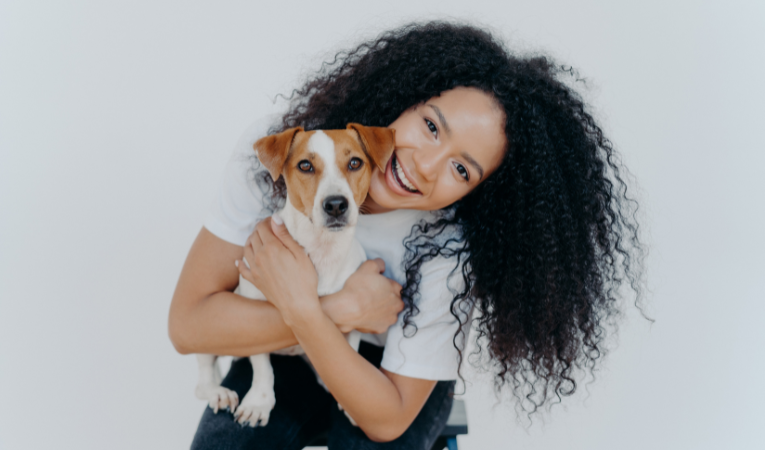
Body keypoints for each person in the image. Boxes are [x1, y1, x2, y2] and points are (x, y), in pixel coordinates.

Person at [168, 21, 645, 449]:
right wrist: (335, 310)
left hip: (390, 376)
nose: (425, 164)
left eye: (461, 169)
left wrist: (303, 309)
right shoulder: (284, 156)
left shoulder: (446, 248)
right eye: (432, 126)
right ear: (406, 93)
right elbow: (188, 326)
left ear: (478, 192)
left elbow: (388, 420)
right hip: (279, 351)